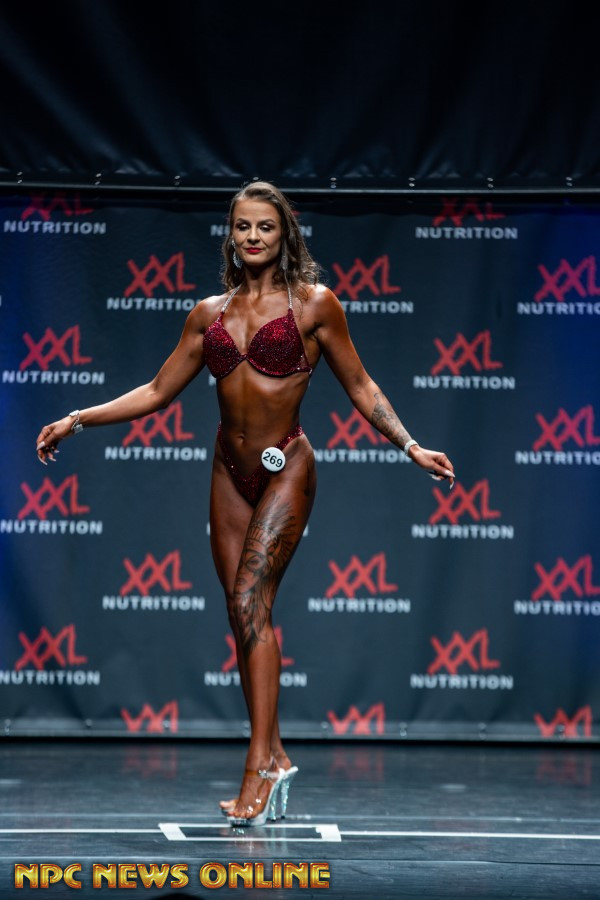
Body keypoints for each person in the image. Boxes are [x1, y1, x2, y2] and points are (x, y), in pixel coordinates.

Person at [36, 181, 455, 826]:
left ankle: (259, 766)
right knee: (242, 615)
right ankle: (277, 753)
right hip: (228, 473)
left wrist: (410, 445)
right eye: (242, 227)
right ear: (229, 235)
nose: (253, 237)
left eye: (265, 226)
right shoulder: (209, 314)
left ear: (285, 234)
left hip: (287, 466)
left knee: (250, 601)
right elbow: (156, 391)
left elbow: (361, 384)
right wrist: (77, 418)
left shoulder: (314, 305)